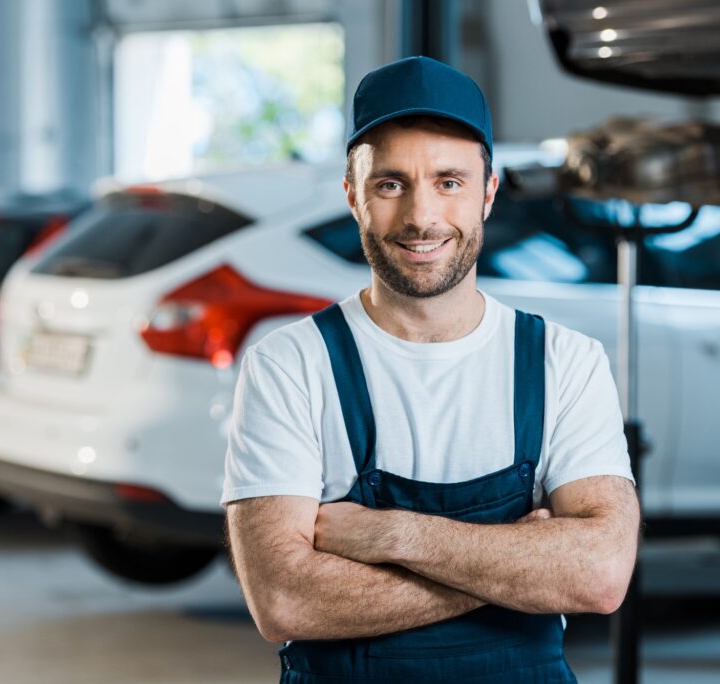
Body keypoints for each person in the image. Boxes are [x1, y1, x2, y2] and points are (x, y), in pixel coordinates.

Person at [222, 56, 640, 683]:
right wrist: (520, 566)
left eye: (449, 181)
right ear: (353, 197)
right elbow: (285, 599)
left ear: (488, 194)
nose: (422, 217)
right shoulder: (289, 366)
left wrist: (393, 537)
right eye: (391, 184)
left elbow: (601, 574)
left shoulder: (564, 362)